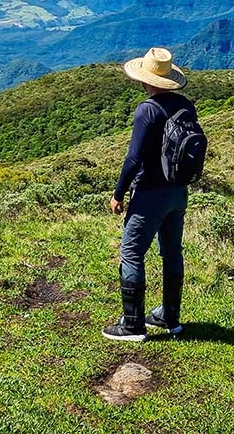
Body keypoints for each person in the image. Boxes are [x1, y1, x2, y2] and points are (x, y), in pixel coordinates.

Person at [102, 47, 195, 342]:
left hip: (150, 194)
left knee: (131, 253)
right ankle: (170, 317)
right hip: (178, 192)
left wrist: (118, 194)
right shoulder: (185, 105)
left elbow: (133, 159)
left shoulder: (147, 109)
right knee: (171, 252)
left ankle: (132, 325)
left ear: (146, 79)